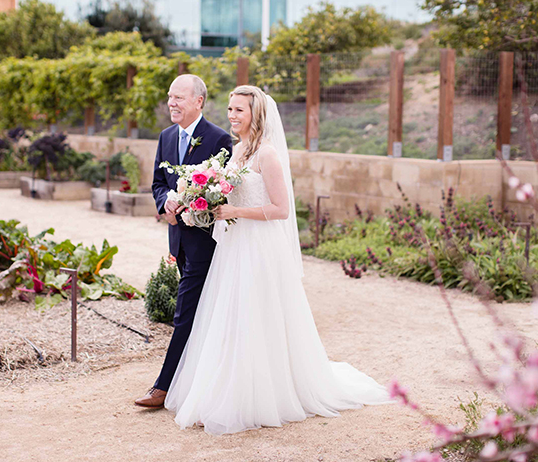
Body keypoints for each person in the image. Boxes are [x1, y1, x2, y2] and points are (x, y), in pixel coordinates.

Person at [164, 85, 392, 434]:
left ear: (256, 114)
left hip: (258, 247)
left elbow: (281, 210)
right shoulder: (237, 150)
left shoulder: (267, 155)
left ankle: (259, 396)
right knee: (230, 319)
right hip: (234, 245)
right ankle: (221, 392)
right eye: (230, 108)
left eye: (239, 110)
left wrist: (234, 210)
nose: (232, 115)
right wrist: (201, 203)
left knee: (257, 318)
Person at [135, 74, 233, 408]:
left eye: (179, 97)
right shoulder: (165, 137)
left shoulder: (219, 139)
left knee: (185, 312)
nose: (172, 103)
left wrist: (190, 204)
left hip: (205, 243)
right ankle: (200, 381)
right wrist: (166, 202)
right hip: (177, 240)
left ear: (198, 101)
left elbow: (223, 191)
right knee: (201, 313)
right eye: (170, 97)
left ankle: (163, 387)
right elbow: (158, 183)